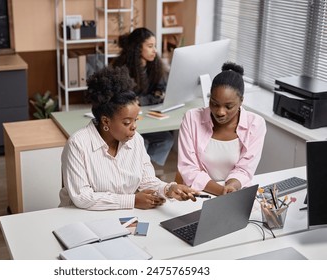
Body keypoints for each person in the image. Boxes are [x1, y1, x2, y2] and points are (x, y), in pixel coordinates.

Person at [59, 66, 196, 210]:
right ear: (106, 121)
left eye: (136, 120)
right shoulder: (78, 144)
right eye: (127, 122)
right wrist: (133, 201)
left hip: (119, 216)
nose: (134, 127)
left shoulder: (136, 140)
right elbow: (82, 197)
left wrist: (169, 189)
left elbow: (146, 180)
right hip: (79, 216)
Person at [177, 62, 267, 196]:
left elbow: (245, 169)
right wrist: (222, 192)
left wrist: (231, 186)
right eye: (214, 103)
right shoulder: (192, 118)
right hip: (198, 193)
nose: (220, 112)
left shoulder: (255, 124)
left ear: (241, 101)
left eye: (229, 106)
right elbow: (189, 169)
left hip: (235, 192)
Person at [112, 27, 174, 169]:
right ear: (138, 48)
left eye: (155, 46)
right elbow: (126, 100)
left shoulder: (156, 67)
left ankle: (147, 173)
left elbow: (161, 92)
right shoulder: (122, 69)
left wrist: (143, 100)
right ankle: (137, 174)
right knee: (141, 143)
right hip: (128, 119)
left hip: (147, 116)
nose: (154, 50)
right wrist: (149, 98)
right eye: (150, 46)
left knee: (166, 139)